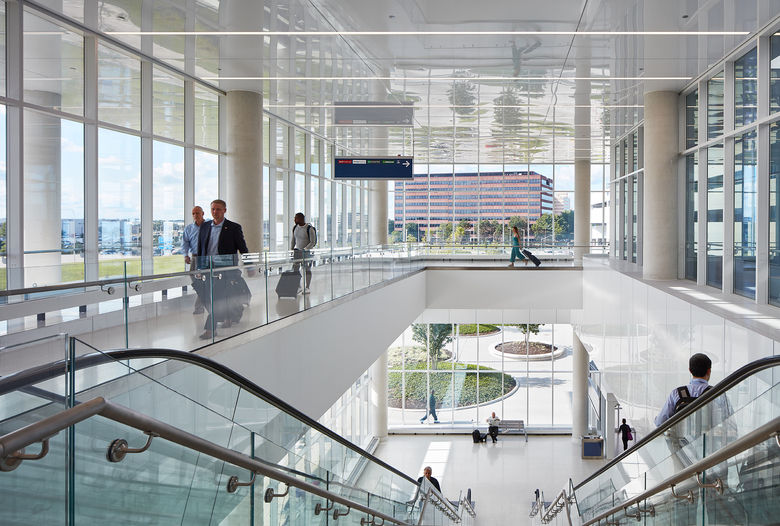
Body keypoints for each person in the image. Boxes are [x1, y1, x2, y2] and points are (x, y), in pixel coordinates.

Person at [196, 199, 249, 340]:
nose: (215, 212)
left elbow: (243, 248)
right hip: (208, 268)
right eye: (213, 209)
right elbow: (201, 248)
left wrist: (250, 265)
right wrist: (199, 267)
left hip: (225, 269)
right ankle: (228, 316)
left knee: (216, 298)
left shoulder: (233, 227)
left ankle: (210, 329)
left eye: (218, 209)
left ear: (224, 210)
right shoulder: (205, 226)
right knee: (209, 297)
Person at [654, 353, 713, 427]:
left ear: (690, 370)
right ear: (709, 371)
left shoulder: (677, 393)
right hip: (709, 437)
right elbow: (728, 421)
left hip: (681, 438)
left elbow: (660, 422)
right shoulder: (718, 392)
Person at [182, 206, 206, 314]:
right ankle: (201, 292)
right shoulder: (188, 229)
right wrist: (185, 255)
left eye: (197, 213)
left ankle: (199, 308)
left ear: (203, 213)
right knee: (195, 278)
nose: (195, 215)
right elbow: (185, 243)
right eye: (193, 213)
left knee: (203, 282)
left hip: (206, 257)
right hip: (195, 257)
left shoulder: (209, 226)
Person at [291, 212, 317, 294]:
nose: (294, 219)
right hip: (297, 252)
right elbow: (293, 240)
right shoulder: (295, 227)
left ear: (301, 218)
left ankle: (307, 287)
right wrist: (291, 250)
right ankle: (298, 287)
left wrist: (305, 249)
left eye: (296, 218)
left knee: (307, 269)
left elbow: (312, 242)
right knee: (295, 269)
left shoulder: (310, 229)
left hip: (306, 253)